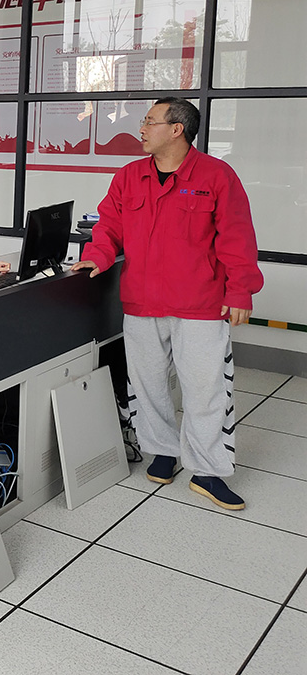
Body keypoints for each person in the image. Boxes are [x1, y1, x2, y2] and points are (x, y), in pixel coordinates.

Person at [72, 97, 262, 511]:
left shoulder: (216, 176)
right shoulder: (130, 176)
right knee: (147, 384)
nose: (141, 128)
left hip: (201, 303)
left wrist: (240, 290)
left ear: (177, 129)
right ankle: (162, 450)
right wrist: (98, 256)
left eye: (150, 121)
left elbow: (237, 237)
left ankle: (208, 470)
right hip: (142, 301)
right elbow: (109, 225)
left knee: (206, 389)